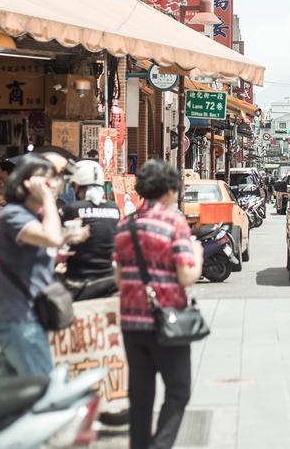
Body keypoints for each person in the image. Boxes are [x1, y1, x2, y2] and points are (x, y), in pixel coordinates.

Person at [113, 160, 203, 449]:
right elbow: (187, 275)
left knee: (140, 396)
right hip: (167, 320)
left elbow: (118, 277)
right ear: (168, 189)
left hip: (131, 321)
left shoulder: (124, 224)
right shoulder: (173, 222)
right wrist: (198, 255)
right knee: (178, 391)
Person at [0, 154, 88, 377]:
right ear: (26, 182)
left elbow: (46, 242)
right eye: (46, 179)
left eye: (56, 179)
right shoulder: (13, 215)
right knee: (43, 390)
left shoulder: (30, 216)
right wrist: (47, 198)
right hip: (20, 320)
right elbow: (51, 237)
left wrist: (66, 240)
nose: (55, 184)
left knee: (16, 398)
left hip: (28, 317)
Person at [62, 160, 121, 300]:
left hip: (77, 281)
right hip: (108, 279)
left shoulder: (72, 209)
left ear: (77, 186)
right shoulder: (114, 209)